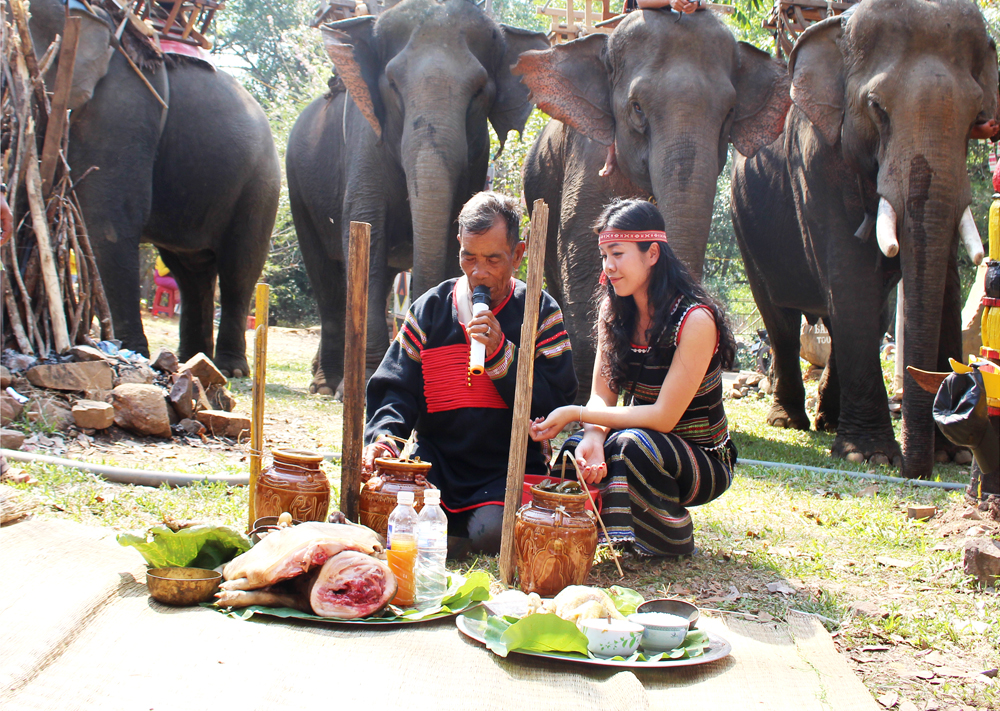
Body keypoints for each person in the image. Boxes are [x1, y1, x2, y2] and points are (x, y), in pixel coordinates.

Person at [363, 192, 579, 557]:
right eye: (469, 257)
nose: (479, 272)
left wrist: (501, 355)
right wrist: (385, 440)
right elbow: (395, 388)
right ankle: (444, 534)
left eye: (493, 259)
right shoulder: (431, 308)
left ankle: (455, 539)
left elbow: (554, 402)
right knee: (380, 508)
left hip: (506, 470)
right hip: (435, 465)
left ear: (518, 254)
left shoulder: (540, 310)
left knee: (493, 533)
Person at [529, 199, 736, 557]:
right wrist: (592, 437)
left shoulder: (695, 320)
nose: (609, 266)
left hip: (703, 459)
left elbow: (662, 418)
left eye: (618, 254)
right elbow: (601, 396)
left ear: (652, 253)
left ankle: (671, 536)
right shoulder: (613, 310)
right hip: (640, 438)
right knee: (573, 453)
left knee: (630, 447)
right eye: (604, 255)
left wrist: (577, 415)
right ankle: (581, 537)